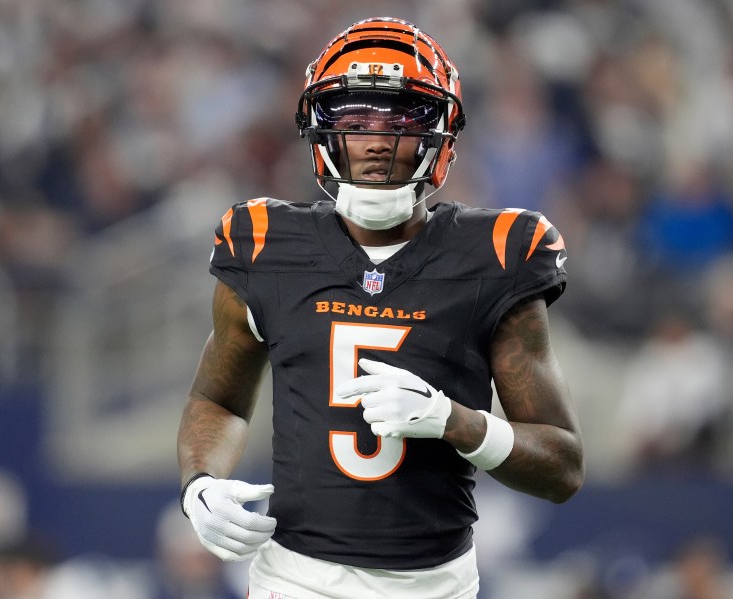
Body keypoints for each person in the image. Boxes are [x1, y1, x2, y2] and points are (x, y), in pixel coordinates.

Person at [176, 16, 584, 599]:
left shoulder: (496, 254)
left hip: (435, 586)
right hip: (295, 580)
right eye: (355, 121)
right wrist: (201, 484)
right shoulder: (264, 243)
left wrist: (454, 421)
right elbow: (218, 399)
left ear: (439, 134)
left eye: (398, 122)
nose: (374, 141)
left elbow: (563, 468)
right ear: (323, 132)